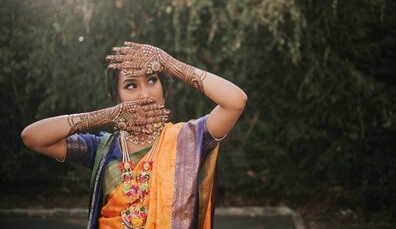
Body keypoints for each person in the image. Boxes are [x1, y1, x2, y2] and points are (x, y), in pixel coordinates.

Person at [21, 41, 247, 228]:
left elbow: (235, 101)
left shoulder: (189, 139)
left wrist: (170, 64)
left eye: (152, 80)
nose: (145, 94)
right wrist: (105, 116)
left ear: (164, 90)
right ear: (116, 96)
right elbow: (32, 137)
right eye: (131, 86)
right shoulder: (103, 148)